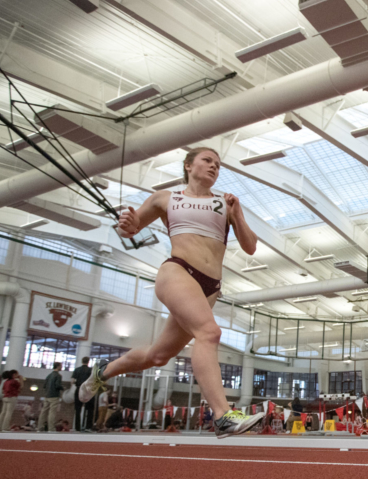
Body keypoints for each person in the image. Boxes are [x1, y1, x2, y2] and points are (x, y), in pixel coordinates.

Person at [77, 148, 263, 438]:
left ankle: (103, 372)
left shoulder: (225, 202)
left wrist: (237, 214)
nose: (214, 167)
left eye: (218, 164)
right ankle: (223, 415)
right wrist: (126, 226)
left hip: (210, 286)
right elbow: (131, 227)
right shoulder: (166, 197)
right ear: (189, 166)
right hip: (178, 271)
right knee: (209, 333)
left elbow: (251, 246)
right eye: (207, 161)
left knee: (158, 356)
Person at [38, 362, 63, 432]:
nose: (61, 367)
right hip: (54, 396)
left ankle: (40, 427)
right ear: (58, 366)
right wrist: (62, 388)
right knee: (52, 413)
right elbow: (57, 385)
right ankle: (51, 428)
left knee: (43, 411)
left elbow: (44, 385)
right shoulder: (58, 376)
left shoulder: (49, 375)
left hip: (47, 395)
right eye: (61, 366)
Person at [71, 356, 95, 432]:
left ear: (82, 361)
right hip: (88, 390)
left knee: (77, 409)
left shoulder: (77, 370)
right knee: (90, 409)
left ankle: (77, 427)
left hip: (79, 389)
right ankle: (88, 427)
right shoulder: (91, 370)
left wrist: (77, 383)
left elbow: (72, 381)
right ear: (88, 362)